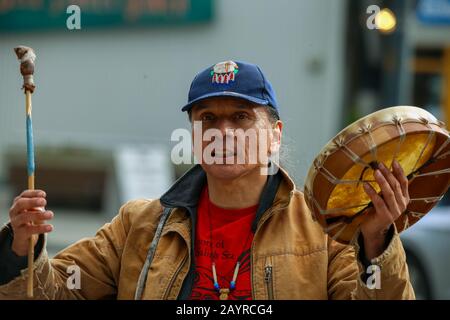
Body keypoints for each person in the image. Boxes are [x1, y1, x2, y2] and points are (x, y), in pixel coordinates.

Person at [0, 60, 414, 299]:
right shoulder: (138, 226)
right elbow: (51, 294)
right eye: (208, 119)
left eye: (241, 117)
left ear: (275, 134)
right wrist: (22, 248)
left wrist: (376, 243)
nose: (224, 132)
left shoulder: (326, 229)